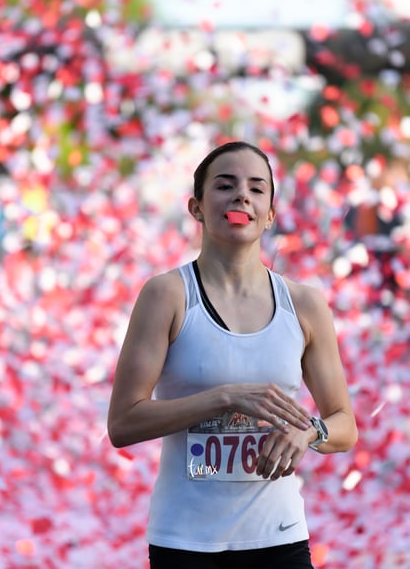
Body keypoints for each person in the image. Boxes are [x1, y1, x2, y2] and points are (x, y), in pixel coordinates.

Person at [107, 140, 358, 569]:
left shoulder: (305, 304)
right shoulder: (166, 295)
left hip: (280, 539)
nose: (242, 196)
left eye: (257, 189)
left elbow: (345, 424)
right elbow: (123, 423)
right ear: (197, 207)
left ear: (270, 216)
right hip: (185, 542)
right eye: (225, 185)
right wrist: (225, 397)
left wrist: (309, 431)